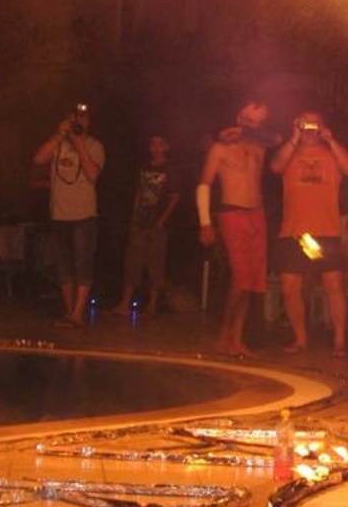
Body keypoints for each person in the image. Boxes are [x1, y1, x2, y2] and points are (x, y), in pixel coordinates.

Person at [270, 110, 348, 356]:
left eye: (314, 124)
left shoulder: (331, 153)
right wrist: (294, 137)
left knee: (333, 285)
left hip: (325, 230)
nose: (310, 128)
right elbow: (275, 167)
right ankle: (300, 339)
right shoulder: (290, 152)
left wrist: (330, 139)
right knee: (290, 288)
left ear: (322, 126)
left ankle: (339, 341)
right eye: (305, 123)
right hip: (294, 232)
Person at [197, 101, 277, 356]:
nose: (250, 124)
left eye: (257, 121)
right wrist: (205, 222)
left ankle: (236, 339)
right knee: (241, 279)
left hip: (257, 214)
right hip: (232, 213)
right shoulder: (220, 147)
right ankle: (224, 335)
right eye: (247, 119)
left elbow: (277, 138)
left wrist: (245, 132)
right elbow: (204, 184)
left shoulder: (260, 145)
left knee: (251, 282)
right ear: (239, 116)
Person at [33, 103, 104, 328]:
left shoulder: (95, 145)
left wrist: (79, 142)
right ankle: (69, 312)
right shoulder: (59, 144)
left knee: (83, 264)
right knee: (63, 266)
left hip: (84, 215)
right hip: (59, 214)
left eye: (83, 118)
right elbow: (38, 159)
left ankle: (78, 314)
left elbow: (93, 174)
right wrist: (59, 135)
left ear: (88, 121)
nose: (79, 121)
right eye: (75, 118)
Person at [111, 133, 181, 317]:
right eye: (153, 144)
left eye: (160, 144)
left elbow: (174, 198)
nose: (156, 148)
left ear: (166, 147)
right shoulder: (144, 167)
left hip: (158, 223)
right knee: (132, 261)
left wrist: (162, 220)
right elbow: (139, 191)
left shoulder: (170, 169)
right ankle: (124, 304)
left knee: (155, 263)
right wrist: (134, 215)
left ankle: (152, 305)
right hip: (140, 220)